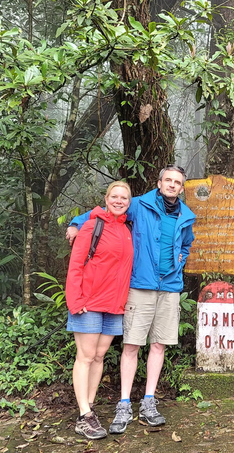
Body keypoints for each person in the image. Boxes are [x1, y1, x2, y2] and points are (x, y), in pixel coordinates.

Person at [66, 166, 195, 433]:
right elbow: (104, 212)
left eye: (177, 182)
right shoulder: (139, 205)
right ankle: (123, 403)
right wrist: (76, 223)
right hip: (141, 286)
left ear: (182, 188)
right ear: (159, 183)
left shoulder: (186, 215)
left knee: (158, 345)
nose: (172, 185)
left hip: (169, 287)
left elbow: (186, 243)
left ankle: (149, 401)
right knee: (131, 345)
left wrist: (181, 258)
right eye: (168, 180)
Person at [66, 181, 134, 441]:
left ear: (129, 202)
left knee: (99, 355)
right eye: (114, 196)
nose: (118, 201)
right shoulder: (92, 226)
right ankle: (83, 415)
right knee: (85, 356)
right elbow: (75, 266)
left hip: (114, 306)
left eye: (124, 197)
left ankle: (90, 406)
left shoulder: (127, 228)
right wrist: (76, 300)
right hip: (88, 303)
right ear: (106, 199)